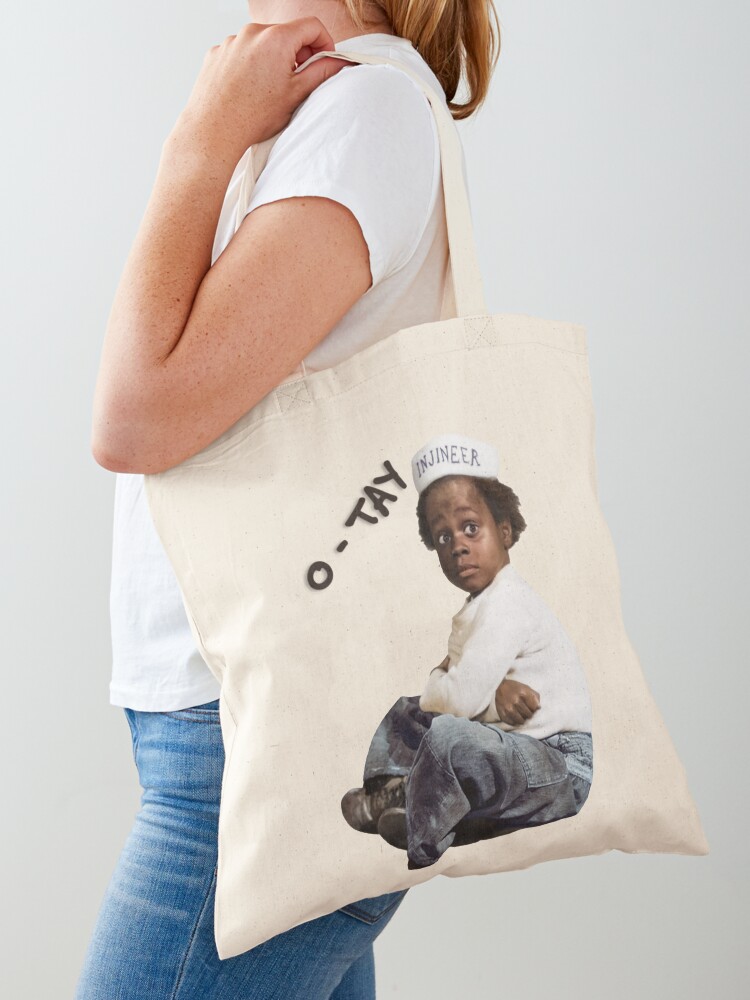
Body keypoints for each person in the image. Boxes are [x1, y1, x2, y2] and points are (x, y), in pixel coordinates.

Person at [78, 2, 503, 998]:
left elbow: (134, 418)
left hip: (259, 757)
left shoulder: (366, 110)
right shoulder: (319, 105)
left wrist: (199, 140)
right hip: (234, 730)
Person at [341, 432, 594, 871]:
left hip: (557, 764)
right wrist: (481, 690)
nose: (457, 544)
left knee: (448, 734)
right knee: (411, 710)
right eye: (443, 537)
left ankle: (424, 824)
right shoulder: (478, 607)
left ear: (506, 530)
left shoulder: (507, 603)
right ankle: (393, 790)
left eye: (471, 527)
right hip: (515, 747)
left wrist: (452, 680)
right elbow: (465, 696)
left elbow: (458, 700)